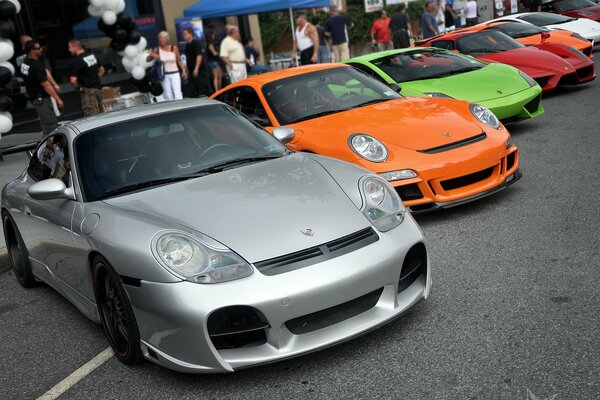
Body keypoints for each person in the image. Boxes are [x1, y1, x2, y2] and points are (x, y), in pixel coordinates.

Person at [20, 40, 64, 137]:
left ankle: (46, 150)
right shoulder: (35, 65)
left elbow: (45, 72)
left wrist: (55, 84)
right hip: (41, 98)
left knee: (46, 126)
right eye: (38, 48)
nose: (41, 49)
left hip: (35, 97)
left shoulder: (26, 62)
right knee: (51, 126)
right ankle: (54, 149)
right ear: (32, 50)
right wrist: (58, 99)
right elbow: (45, 85)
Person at [68, 39, 105, 116]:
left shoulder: (78, 60)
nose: (69, 50)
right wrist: (94, 78)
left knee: (92, 117)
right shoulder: (92, 56)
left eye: (70, 47)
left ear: (75, 47)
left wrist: (78, 88)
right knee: (103, 115)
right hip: (99, 89)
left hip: (88, 92)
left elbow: (72, 80)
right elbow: (102, 70)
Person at [148, 31, 187, 101]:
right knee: (169, 96)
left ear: (166, 39)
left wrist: (183, 71)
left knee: (178, 94)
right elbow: (147, 60)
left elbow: (179, 60)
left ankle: (181, 108)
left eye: (162, 38)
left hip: (175, 73)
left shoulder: (173, 48)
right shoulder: (157, 49)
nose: (160, 39)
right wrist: (152, 54)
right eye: (159, 38)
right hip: (164, 75)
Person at [182, 27, 213, 97]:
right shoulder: (187, 45)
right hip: (191, 72)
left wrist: (196, 68)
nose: (184, 36)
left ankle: (215, 101)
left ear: (190, 34)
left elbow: (199, 55)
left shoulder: (196, 43)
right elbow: (188, 59)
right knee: (192, 91)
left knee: (206, 89)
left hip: (199, 71)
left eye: (185, 34)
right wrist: (186, 71)